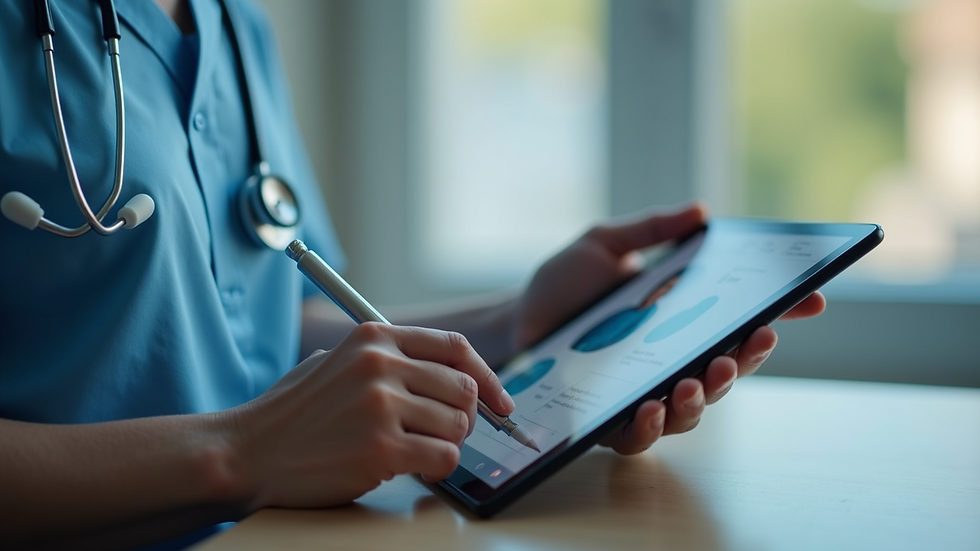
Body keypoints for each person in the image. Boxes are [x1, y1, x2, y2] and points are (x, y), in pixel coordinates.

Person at [0, 0, 826, 549]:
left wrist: (518, 329)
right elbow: (249, 422)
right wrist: (238, 452)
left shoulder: (229, 21)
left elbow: (240, 324)